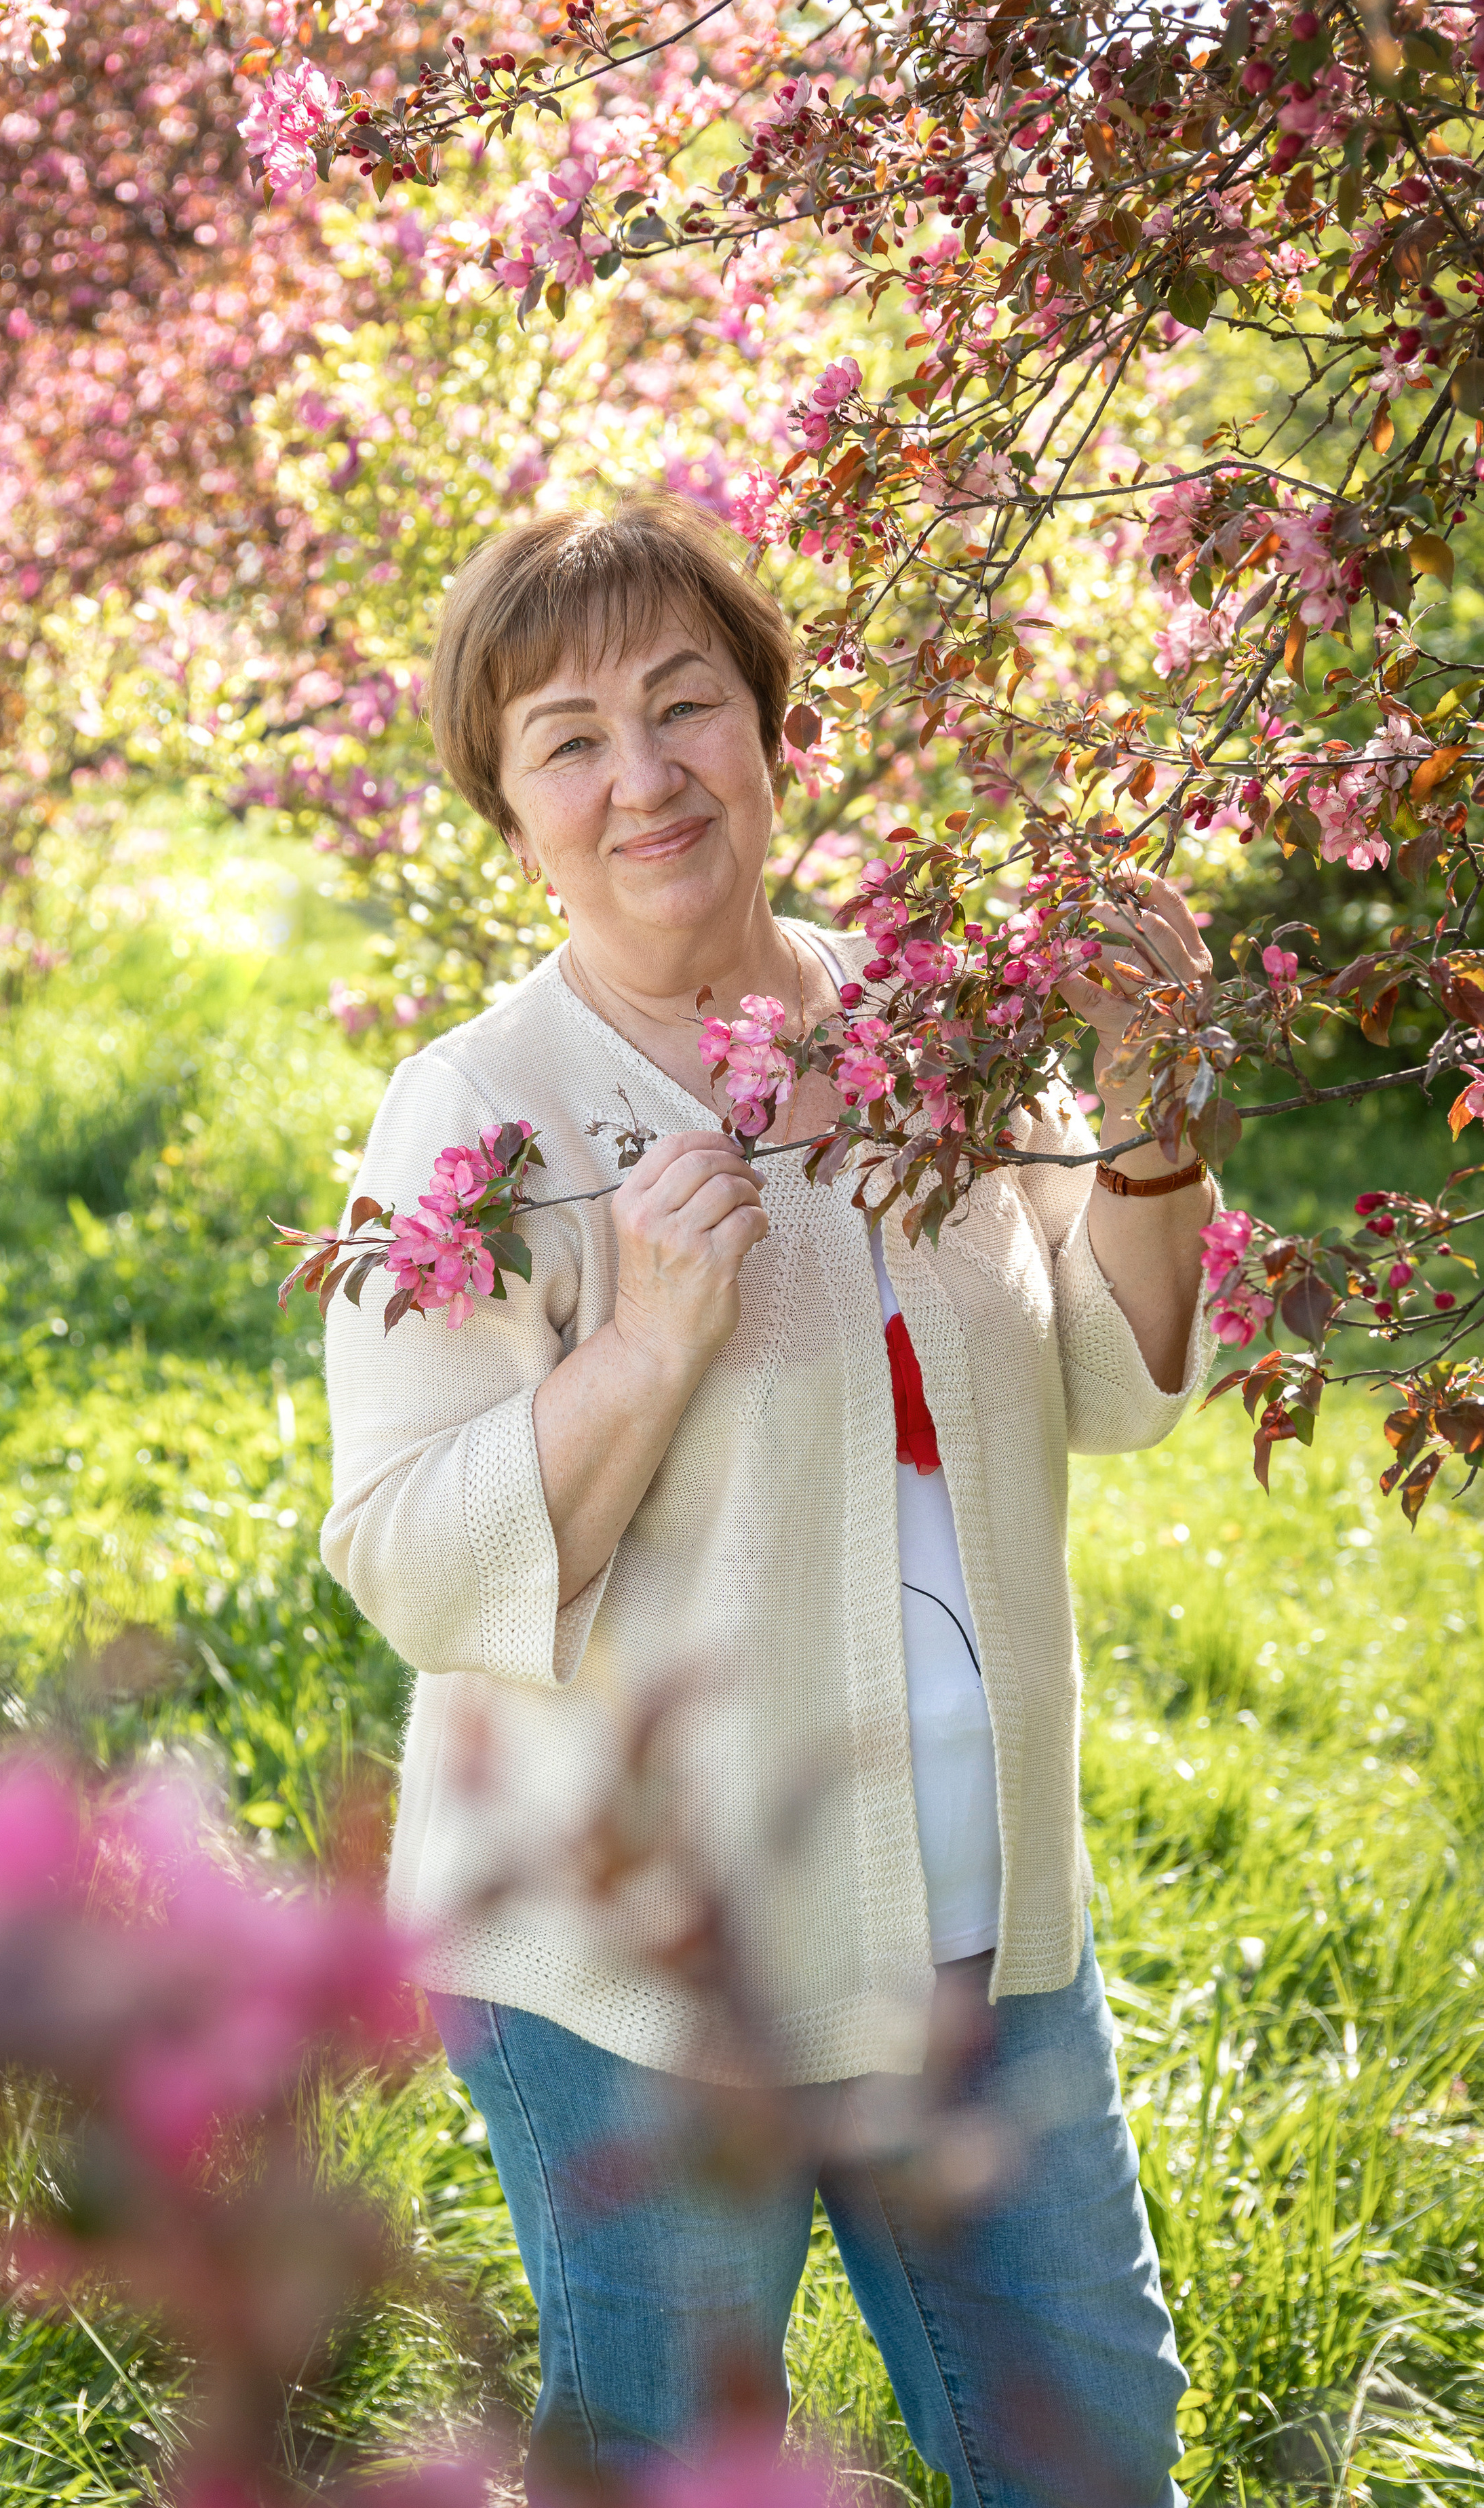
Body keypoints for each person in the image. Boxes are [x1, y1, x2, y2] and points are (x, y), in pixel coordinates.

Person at [321, 494, 1215, 2507]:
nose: (642, 776)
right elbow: (405, 1550)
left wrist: (1151, 1104)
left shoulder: (933, 1034)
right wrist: (642, 1344)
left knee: (1094, 2453)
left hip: (986, 1934)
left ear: (768, 731)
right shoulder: (482, 1116)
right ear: (508, 805)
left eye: (683, 705)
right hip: (649, 1976)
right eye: (568, 737)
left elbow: (1112, 1378)